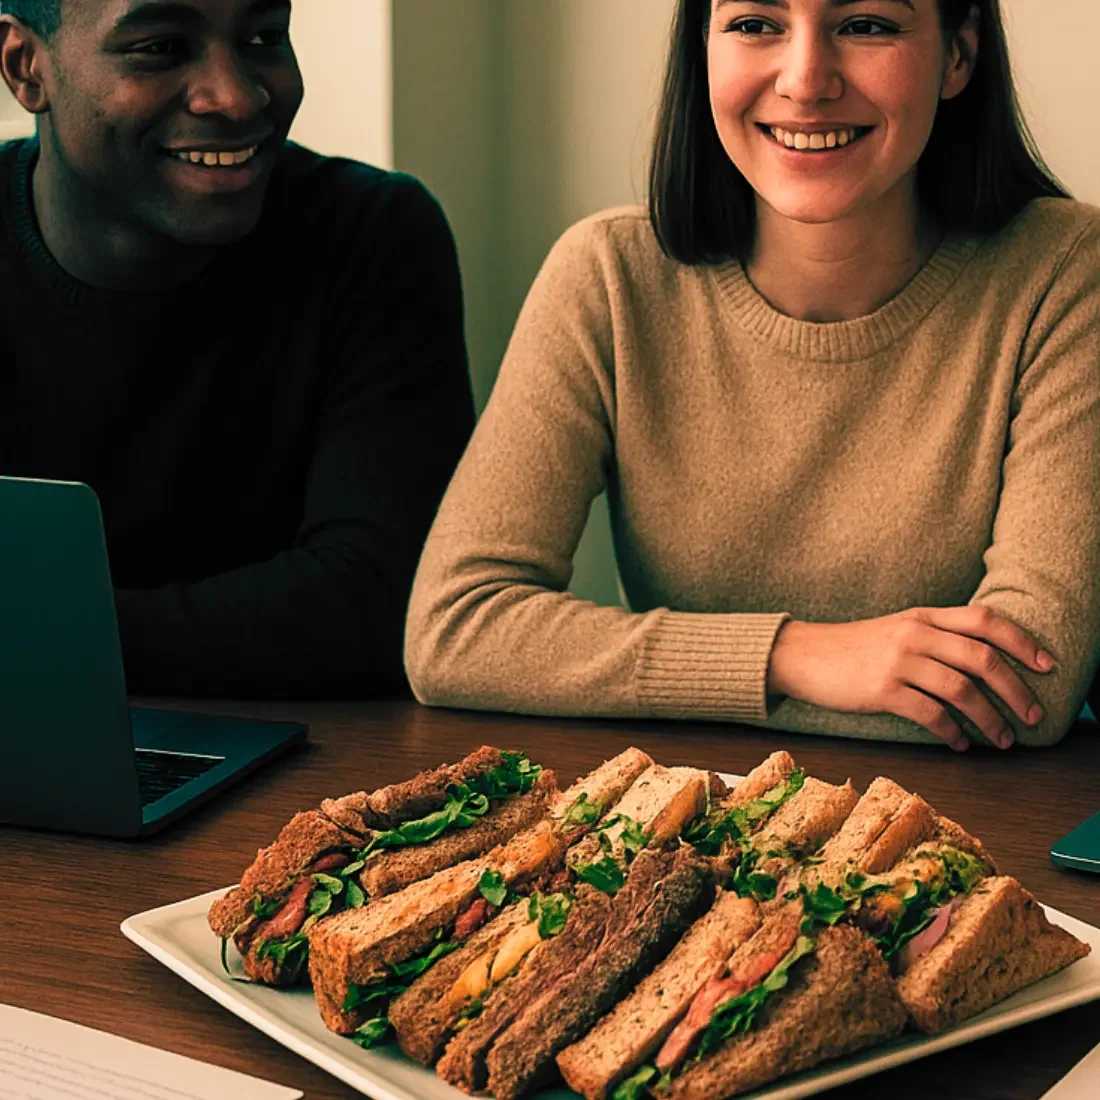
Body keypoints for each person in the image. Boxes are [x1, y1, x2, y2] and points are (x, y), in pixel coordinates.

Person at [405, 0, 1100, 749]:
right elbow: (457, 628)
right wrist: (791, 656)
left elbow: (1026, 686)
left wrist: (640, 675)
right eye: (755, 24)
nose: (805, 80)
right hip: (679, 834)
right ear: (703, 46)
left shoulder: (1064, 273)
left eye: (865, 25)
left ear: (958, 57)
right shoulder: (607, 275)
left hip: (970, 839)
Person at [0, 0, 475, 698]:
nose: (236, 95)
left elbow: (383, 602)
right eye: (161, 47)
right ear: (25, 67)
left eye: (262, 38)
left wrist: (35, 635)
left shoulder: (372, 235)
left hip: (313, 775)